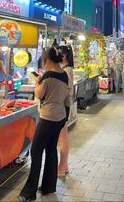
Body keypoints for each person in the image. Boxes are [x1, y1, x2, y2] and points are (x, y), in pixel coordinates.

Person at [19, 48, 68, 202]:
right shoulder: (64, 74)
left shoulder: (47, 76)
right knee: (51, 150)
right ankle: (49, 186)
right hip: (60, 117)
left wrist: (37, 82)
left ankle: (28, 193)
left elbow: (39, 95)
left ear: (47, 61)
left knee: (36, 151)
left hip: (48, 117)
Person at [57, 45, 74, 176]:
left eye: (58, 54)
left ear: (64, 57)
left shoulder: (67, 70)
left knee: (63, 137)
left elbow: (67, 89)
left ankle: (61, 168)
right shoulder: (66, 69)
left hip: (63, 104)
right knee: (63, 135)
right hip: (64, 104)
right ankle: (65, 166)